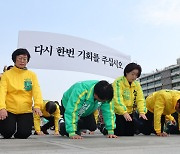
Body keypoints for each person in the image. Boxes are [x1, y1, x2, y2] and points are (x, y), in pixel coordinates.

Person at [0, 48, 43, 139]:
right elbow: (2, 92)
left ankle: (19, 131)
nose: (22, 61)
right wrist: (2, 108)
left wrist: (37, 105)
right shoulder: (6, 75)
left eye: (25, 59)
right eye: (19, 58)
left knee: (24, 134)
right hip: (9, 109)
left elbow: (36, 90)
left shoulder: (32, 75)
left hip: (25, 109)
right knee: (7, 133)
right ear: (14, 59)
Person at [105, 62, 147, 136]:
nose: (134, 77)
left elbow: (140, 99)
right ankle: (105, 129)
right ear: (126, 72)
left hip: (130, 112)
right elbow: (117, 98)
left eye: (136, 75)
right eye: (132, 74)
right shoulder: (118, 82)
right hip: (118, 112)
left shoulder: (137, 84)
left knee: (130, 133)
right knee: (119, 133)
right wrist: (124, 112)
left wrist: (142, 111)